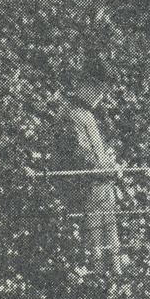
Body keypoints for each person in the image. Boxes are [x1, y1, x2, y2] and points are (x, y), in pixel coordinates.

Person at [55, 61, 125, 274]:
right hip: (87, 190)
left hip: (101, 188)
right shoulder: (72, 114)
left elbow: (94, 154)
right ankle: (101, 286)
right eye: (98, 90)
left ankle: (114, 283)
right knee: (94, 243)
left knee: (108, 242)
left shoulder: (86, 114)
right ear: (86, 86)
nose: (100, 96)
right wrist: (111, 169)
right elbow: (81, 156)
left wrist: (110, 165)